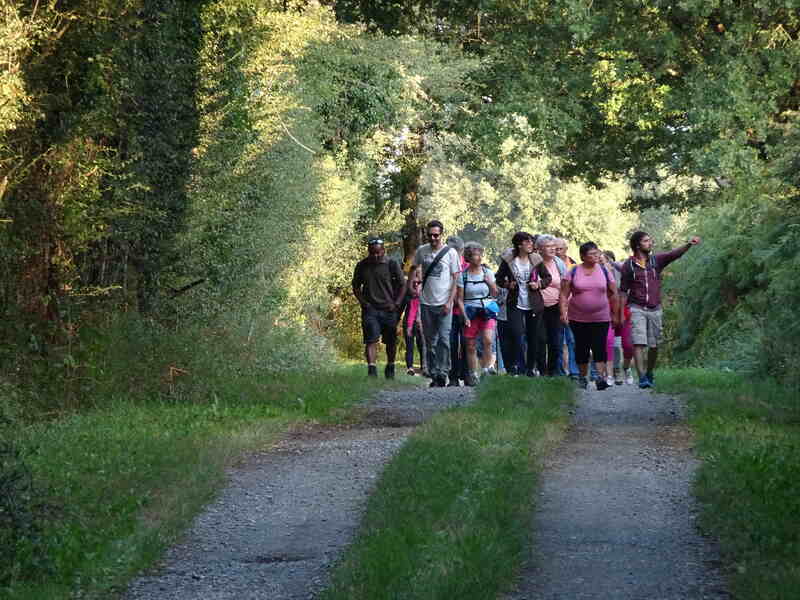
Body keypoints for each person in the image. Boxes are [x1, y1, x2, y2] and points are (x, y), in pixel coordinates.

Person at [619, 231, 701, 388]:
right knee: (638, 343)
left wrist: (689, 244)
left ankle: (649, 372)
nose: (650, 243)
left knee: (654, 345)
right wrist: (621, 313)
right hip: (637, 308)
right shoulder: (628, 266)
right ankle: (642, 377)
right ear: (637, 245)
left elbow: (673, 254)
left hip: (655, 309)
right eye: (646, 241)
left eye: (650, 240)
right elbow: (623, 291)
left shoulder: (656, 261)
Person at [559, 241, 619, 390]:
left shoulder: (604, 271)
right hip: (577, 317)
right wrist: (563, 312)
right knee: (581, 348)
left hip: (601, 317)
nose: (596, 256)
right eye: (592, 254)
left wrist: (615, 313)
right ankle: (582, 377)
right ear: (582, 256)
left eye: (597, 253)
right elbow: (563, 294)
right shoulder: (573, 271)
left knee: (599, 346)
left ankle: (600, 377)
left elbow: (614, 293)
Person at [411, 220, 461, 387]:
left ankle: (443, 372)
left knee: (444, 340)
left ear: (441, 235)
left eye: (436, 235)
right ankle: (433, 373)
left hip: (444, 302)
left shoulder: (451, 253)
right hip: (426, 302)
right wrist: (413, 286)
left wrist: (450, 301)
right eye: (430, 235)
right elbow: (413, 268)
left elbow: (455, 279)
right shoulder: (422, 251)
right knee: (430, 340)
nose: (433, 238)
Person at [496, 232, 550, 376]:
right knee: (517, 334)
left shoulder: (536, 259)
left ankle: (530, 368)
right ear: (519, 245)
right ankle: (519, 366)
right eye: (528, 242)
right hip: (515, 302)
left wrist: (538, 284)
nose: (531, 244)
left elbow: (547, 278)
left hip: (533, 303)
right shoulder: (509, 260)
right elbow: (499, 278)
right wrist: (508, 285)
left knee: (533, 336)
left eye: (532, 242)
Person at [352, 237, 406, 378]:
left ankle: (390, 366)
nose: (375, 256)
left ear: (383, 251)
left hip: (389, 309)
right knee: (371, 339)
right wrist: (363, 302)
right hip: (370, 309)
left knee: (391, 341)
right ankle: (372, 370)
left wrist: (397, 303)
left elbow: (402, 285)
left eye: (378, 253)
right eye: (372, 253)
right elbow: (356, 286)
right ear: (368, 252)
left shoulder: (391, 264)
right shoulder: (362, 265)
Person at [456, 241, 499, 385]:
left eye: (480, 254)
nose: (479, 257)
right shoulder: (463, 276)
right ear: (469, 257)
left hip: (487, 310)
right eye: (475, 255)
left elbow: (495, 293)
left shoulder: (488, 272)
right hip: (470, 311)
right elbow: (460, 299)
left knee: (488, 340)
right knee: (470, 345)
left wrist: (490, 283)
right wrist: (465, 316)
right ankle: (473, 374)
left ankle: (486, 370)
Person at [537, 234, 568, 375]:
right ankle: (541, 371)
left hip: (556, 306)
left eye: (553, 246)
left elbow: (566, 285)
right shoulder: (535, 263)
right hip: (538, 307)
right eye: (548, 246)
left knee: (556, 341)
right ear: (540, 249)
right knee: (541, 340)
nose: (552, 249)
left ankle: (553, 372)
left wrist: (565, 307)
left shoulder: (559, 263)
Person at [554, 238, 579, 378]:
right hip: (552, 307)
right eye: (555, 249)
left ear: (566, 249)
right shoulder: (547, 265)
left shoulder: (575, 267)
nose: (557, 252)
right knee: (556, 341)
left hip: (572, 308)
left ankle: (574, 371)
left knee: (572, 340)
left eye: (560, 249)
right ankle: (558, 371)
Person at [446, 235, 468, 387]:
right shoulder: (444, 266)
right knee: (451, 344)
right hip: (450, 311)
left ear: (461, 251)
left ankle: (467, 374)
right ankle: (453, 376)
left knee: (467, 343)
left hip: (467, 311)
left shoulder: (468, 266)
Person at [402, 269, 426, 376]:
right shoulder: (407, 291)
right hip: (410, 321)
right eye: (414, 281)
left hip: (423, 322)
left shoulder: (426, 291)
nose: (416, 283)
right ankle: (410, 367)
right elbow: (409, 310)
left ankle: (424, 366)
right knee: (409, 345)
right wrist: (409, 326)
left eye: (419, 282)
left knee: (422, 345)